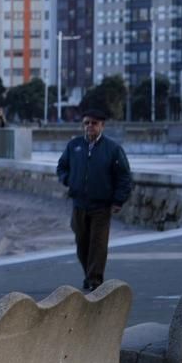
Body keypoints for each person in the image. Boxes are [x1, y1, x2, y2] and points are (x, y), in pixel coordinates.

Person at [56, 109, 132, 292]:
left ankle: (94, 280)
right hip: (79, 204)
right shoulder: (74, 146)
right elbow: (61, 167)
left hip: (101, 206)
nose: (90, 126)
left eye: (94, 123)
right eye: (87, 123)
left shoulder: (113, 149)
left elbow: (124, 176)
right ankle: (89, 274)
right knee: (82, 243)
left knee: (97, 244)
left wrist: (118, 200)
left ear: (102, 126)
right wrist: (69, 180)